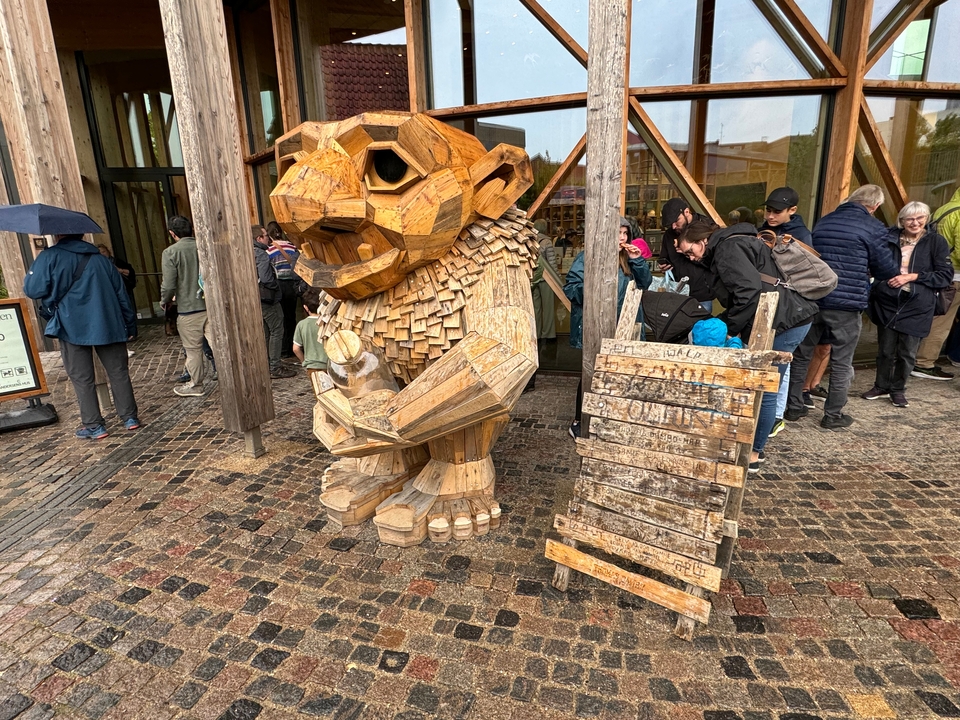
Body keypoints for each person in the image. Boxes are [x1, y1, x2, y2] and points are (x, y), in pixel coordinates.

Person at [677, 220, 817, 472]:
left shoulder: (727, 249)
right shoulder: (736, 241)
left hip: (783, 320)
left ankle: (754, 453)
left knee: (764, 389)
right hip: (786, 316)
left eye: (691, 251)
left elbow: (748, 292)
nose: (691, 258)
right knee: (763, 387)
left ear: (702, 241)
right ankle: (751, 445)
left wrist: (730, 328)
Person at [784, 185, 898, 428]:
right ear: (875, 206)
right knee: (842, 360)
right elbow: (885, 268)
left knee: (802, 354)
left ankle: (793, 407)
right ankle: (833, 415)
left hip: (814, 298)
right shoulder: (873, 227)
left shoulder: (825, 221)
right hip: (846, 303)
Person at [24, 234, 139, 438]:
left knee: (81, 377)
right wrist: (130, 326)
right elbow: (122, 294)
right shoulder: (102, 260)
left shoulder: (49, 257)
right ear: (82, 235)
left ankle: (94, 425)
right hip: (108, 323)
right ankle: (129, 418)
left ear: (57, 235)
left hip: (71, 325)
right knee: (118, 372)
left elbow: (32, 289)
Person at [565, 220, 653, 438]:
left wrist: (637, 261)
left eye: (625, 233)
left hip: (624, 325)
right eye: (617, 233)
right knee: (591, 372)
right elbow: (571, 288)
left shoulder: (629, 260)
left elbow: (645, 284)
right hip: (596, 324)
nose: (622, 238)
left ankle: (610, 417)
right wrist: (595, 290)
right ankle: (580, 420)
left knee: (620, 373)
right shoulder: (587, 257)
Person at [861, 202, 952, 407]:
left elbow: (944, 275)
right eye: (910, 219)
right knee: (885, 349)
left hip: (918, 303)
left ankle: (898, 389)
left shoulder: (936, 242)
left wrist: (912, 277)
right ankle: (881, 385)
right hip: (888, 300)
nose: (915, 222)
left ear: (926, 219)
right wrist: (880, 283)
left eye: (920, 218)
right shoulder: (888, 237)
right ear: (901, 221)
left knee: (907, 352)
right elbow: (873, 263)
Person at [759, 187, 812, 436]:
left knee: (780, 362)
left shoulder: (801, 235)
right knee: (781, 361)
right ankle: (776, 413)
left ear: (792, 210)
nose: (771, 215)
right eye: (768, 210)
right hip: (772, 304)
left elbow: (801, 274)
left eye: (776, 212)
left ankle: (776, 415)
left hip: (791, 307)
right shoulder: (764, 228)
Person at [161, 215, 214, 397]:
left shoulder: (170, 253)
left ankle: (196, 385)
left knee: (193, 351)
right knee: (221, 346)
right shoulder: (205, 247)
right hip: (212, 306)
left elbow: (168, 285)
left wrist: (165, 300)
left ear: (172, 233)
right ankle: (238, 381)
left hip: (188, 308)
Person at [912, 187, 960, 380]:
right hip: (955, 275)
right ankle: (924, 362)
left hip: (939, 272)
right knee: (942, 321)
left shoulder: (944, 209)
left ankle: (918, 358)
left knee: (935, 316)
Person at [255, 225, 297, 379]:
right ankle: (275, 366)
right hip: (268, 297)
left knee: (267, 330)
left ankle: (267, 363)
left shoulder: (248, 252)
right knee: (277, 329)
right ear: (259, 238)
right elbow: (266, 279)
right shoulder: (261, 254)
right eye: (265, 235)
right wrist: (276, 287)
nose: (268, 238)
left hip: (256, 298)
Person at [659, 198, 715, 311]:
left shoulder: (706, 228)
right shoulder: (670, 234)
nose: (674, 226)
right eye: (670, 224)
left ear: (687, 212)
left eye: (676, 221)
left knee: (702, 328)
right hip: (678, 293)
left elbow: (713, 262)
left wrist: (686, 253)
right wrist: (664, 265)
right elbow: (664, 257)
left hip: (701, 294)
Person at [265, 221, 301, 358]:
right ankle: (293, 346)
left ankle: (283, 349)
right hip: (292, 284)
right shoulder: (292, 247)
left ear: (269, 235)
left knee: (280, 318)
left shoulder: (268, 251)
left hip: (278, 285)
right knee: (291, 316)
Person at [292, 287, 328, 375]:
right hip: (330, 365)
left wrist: (304, 361)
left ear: (305, 307)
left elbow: (296, 349)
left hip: (312, 367)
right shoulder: (328, 322)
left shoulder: (301, 324)